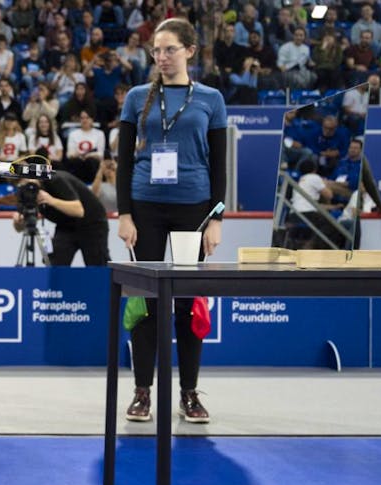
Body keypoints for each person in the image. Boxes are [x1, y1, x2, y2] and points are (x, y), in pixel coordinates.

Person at [115, 18, 228, 424]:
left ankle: (190, 394)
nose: (162, 57)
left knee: (187, 306)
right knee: (145, 306)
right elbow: (123, 160)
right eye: (156, 51)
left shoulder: (211, 99)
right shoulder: (137, 96)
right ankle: (142, 392)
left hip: (193, 209)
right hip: (145, 207)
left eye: (170, 50)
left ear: (190, 51)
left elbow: (220, 164)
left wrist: (216, 219)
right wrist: (124, 213)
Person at [11, 170, 109, 266]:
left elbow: (79, 211)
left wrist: (50, 200)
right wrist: (19, 221)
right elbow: (20, 228)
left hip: (92, 223)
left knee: (97, 267)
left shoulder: (55, 179)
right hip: (66, 225)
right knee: (55, 264)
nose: (30, 188)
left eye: (29, 182)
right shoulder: (25, 193)